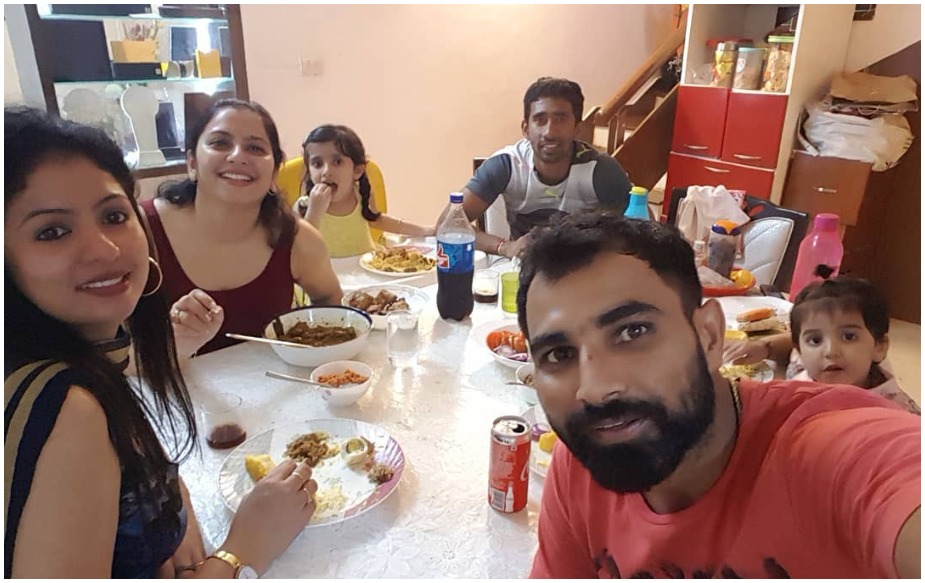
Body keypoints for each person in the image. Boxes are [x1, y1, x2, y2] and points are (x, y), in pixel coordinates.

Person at [515, 210, 920, 578]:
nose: (595, 390)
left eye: (633, 332)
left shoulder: (830, 451)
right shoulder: (585, 460)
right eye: (559, 354)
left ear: (709, 337)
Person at [4, 107, 317, 578]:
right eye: (52, 231)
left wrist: (166, 497)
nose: (104, 249)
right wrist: (244, 548)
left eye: (113, 216)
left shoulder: (89, 360)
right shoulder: (67, 408)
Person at [141, 99, 343, 356]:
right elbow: (105, 356)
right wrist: (175, 346)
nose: (238, 156)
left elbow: (332, 304)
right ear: (192, 163)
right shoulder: (141, 230)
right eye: (220, 143)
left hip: (272, 382)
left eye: (255, 148)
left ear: (275, 172)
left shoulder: (298, 239)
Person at [441, 77, 632, 259]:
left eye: (560, 119)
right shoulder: (505, 165)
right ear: (526, 129)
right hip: (526, 269)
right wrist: (505, 247)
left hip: (586, 268)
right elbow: (448, 224)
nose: (549, 132)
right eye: (540, 119)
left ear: (577, 129)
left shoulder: (602, 170)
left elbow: (638, 236)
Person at [723, 277, 919, 414]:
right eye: (815, 340)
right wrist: (764, 347)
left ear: (880, 348)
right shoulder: (800, 370)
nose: (831, 351)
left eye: (849, 337)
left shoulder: (896, 412)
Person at [295, 124, 435, 257]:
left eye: (337, 162)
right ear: (309, 171)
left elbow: (376, 219)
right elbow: (299, 251)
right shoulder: (303, 207)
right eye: (317, 164)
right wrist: (314, 212)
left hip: (366, 268)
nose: (326, 171)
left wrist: (424, 230)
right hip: (327, 272)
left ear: (357, 170)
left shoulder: (360, 194)